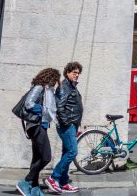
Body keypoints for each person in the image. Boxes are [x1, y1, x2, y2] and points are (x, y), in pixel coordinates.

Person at [16, 68, 60, 196]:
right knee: (46, 157)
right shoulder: (39, 87)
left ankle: (34, 189)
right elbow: (29, 103)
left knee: (37, 159)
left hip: (41, 126)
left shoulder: (47, 90)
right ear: (49, 77)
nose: (55, 83)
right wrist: (43, 110)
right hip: (36, 126)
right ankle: (25, 182)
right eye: (54, 79)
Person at [47, 62, 83, 195]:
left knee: (66, 152)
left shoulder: (71, 86)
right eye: (74, 72)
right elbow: (59, 107)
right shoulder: (64, 86)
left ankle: (63, 182)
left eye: (78, 73)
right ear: (67, 72)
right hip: (67, 126)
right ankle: (53, 178)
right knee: (73, 151)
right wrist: (67, 123)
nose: (77, 75)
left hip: (71, 125)